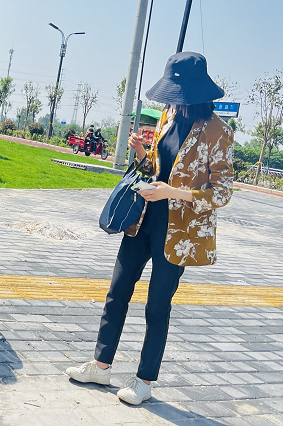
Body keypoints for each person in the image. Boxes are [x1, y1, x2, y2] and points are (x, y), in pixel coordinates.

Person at [65, 52, 234, 405]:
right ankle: (101, 364)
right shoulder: (167, 117)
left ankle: (144, 380)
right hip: (142, 221)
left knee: (157, 307)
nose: (171, 101)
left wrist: (172, 192)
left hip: (179, 233)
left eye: (177, 93)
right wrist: (143, 151)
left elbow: (222, 192)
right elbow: (159, 166)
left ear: (194, 91)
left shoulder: (219, 132)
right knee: (117, 292)